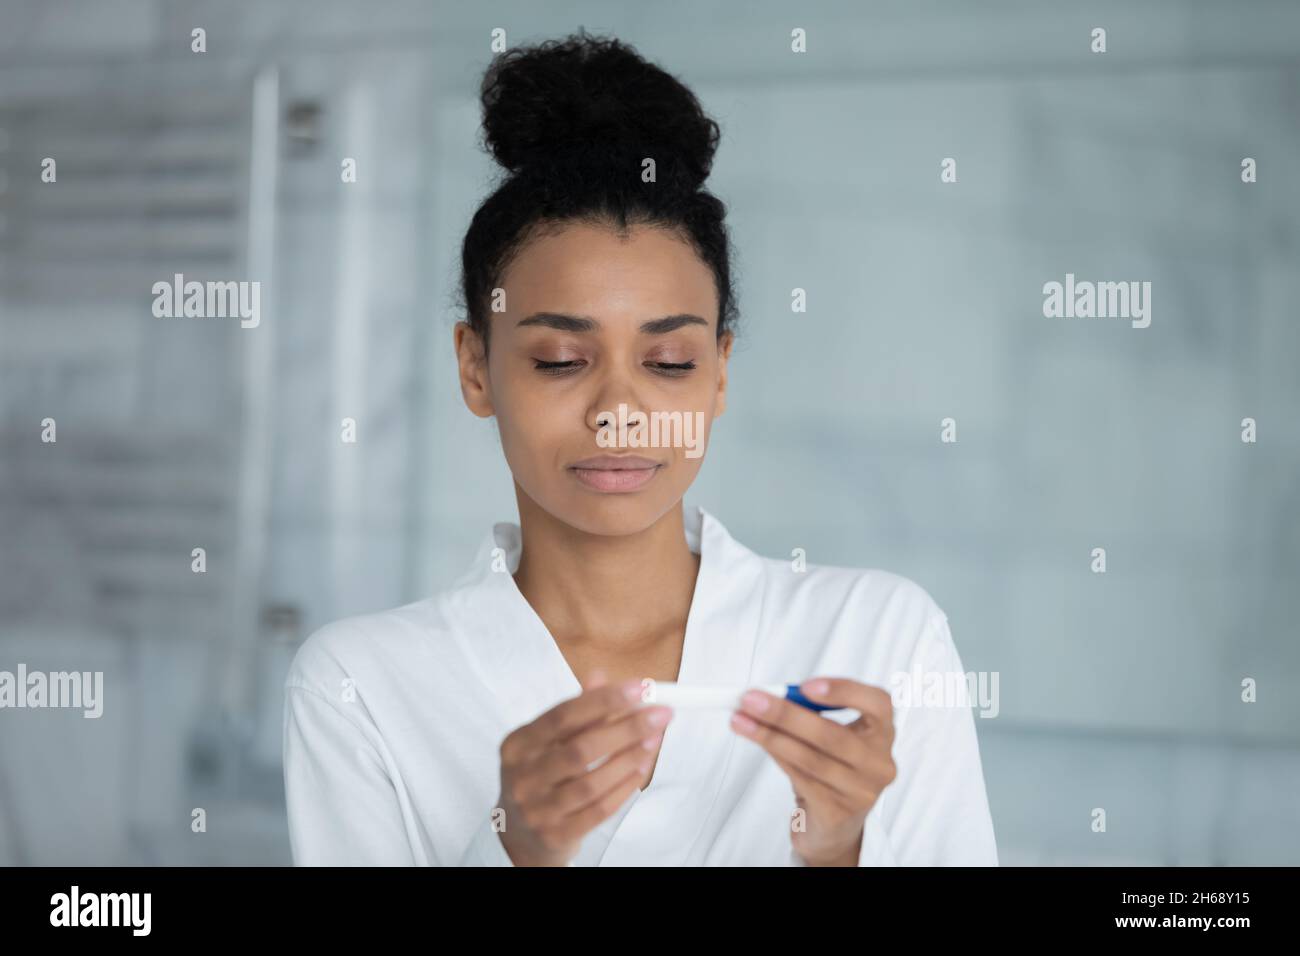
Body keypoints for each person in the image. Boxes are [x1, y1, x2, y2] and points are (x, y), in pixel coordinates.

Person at [282, 29, 998, 867]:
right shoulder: (358, 686)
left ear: (719, 375)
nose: (621, 413)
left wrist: (838, 847)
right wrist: (513, 848)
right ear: (475, 369)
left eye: (668, 362)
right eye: (559, 360)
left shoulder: (877, 638)